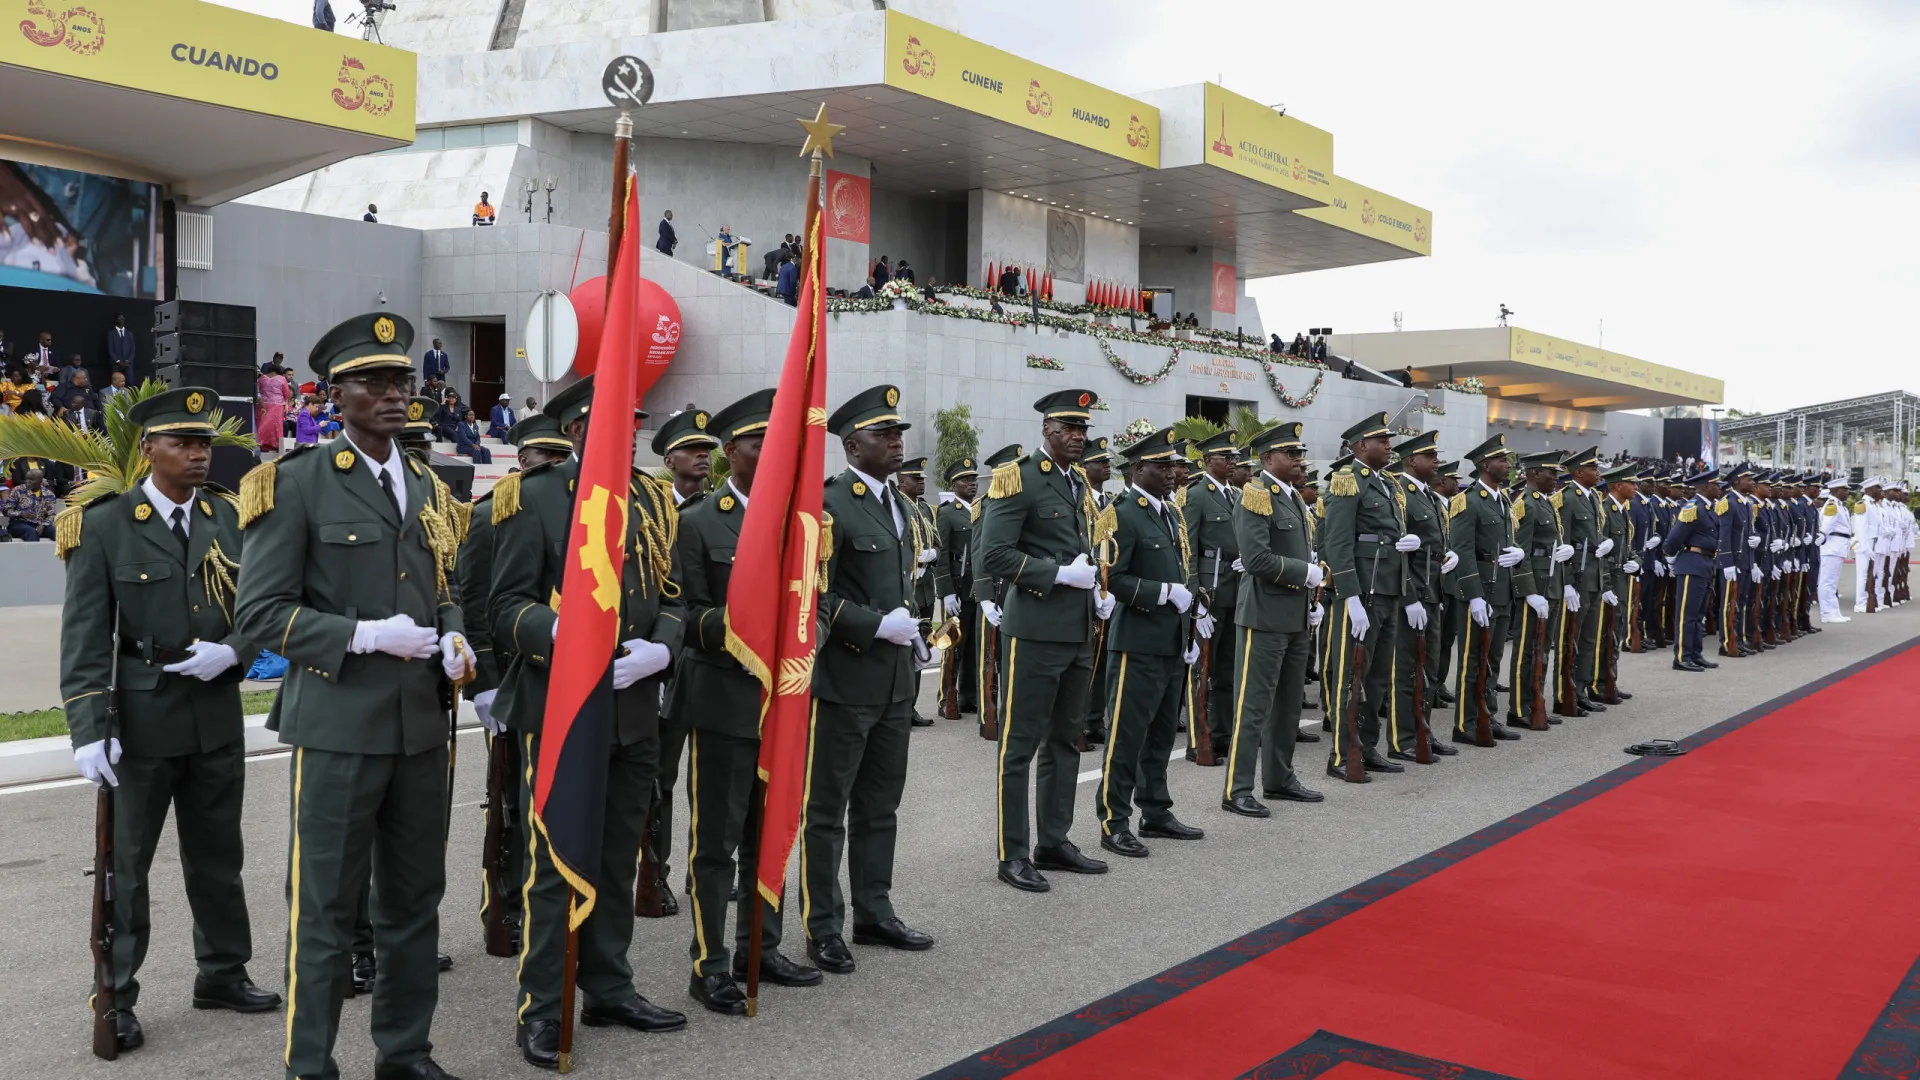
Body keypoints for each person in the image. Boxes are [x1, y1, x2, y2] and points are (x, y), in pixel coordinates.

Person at [232, 312, 474, 1080]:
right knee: (325, 907)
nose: (394, 394)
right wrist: (363, 636)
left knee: (413, 903)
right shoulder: (295, 483)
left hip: (419, 729)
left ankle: (405, 1052)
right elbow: (260, 614)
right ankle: (310, 1062)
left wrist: (454, 634)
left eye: (401, 380)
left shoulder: (427, 484)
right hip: (338, 727)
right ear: (335, 396)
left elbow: (443, 588)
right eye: (373, 382)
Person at [57, 386, 281, 1053]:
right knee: (126, 869)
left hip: (213, 713)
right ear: (149, 448)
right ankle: (116, 995)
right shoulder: (105, 525)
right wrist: (88, 729)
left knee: (219, 858)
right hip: (140, 721)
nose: (198, 454)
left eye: (204, 443)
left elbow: (261, 606)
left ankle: (223, 973)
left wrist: (235, 651)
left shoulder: (229, 518)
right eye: (183, 443)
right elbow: (85, 636)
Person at [489, 374, 687, 1069]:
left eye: (633, 422)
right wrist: (565, 634)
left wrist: (662, 647)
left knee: (615, 855)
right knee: (554, 863)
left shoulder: (648, 499)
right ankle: (543, 1007)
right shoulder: (536, 497)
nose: (630, 433)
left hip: (632, 708)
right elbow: (506, 606)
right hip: (563, 711)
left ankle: (608, 986)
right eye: (615, 421)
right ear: (576, 430)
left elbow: (672, 593)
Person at [673, 388, 823, 1013]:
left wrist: (797, 640)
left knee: (772, 832)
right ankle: (709, 964)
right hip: (724, 701)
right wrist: (744, 631)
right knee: (716, 844)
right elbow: (685, 616)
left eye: (780, 442)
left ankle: (760, 946)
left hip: (782, 704)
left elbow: (813, 604)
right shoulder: (699, 521)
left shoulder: (800, 522)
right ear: (730, 451)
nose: (773, 453)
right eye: (760, 443)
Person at [802, 384, 937, 972]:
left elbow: (898, 586)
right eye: (884, 434)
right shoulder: (829, 504)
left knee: (881, 806)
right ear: (852, 445)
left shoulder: (901, 505)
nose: (897, 442)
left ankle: (874, 911)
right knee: (828, 811)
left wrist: (910, 632)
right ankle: (822, 925)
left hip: (894, 682)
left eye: (899, 432)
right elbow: (814, 595)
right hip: (845, 678)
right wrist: (875, 625)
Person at [979, 389, 1109, 892]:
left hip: (1077, 630)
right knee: (1019, 747)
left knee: (1066, 740)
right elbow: (995, 554)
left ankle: (1053, 841)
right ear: (1046, 431)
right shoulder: (1019, 478)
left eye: (1082, 429)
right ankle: (1012, 853)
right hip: (1034, 630)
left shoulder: (1078, 483)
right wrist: (1058, 575)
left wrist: (1093, 588)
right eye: (1068, 428)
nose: (1077, 437)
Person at [1092, 425, 1207, 856]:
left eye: (1173, 466)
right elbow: (1111, 578)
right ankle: (1113, 820)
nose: (1172, 473)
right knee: (1126, 737)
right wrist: (1163, 593)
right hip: (1137, 642)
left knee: (1160, 736)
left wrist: (1189, 630)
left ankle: (1155, 811)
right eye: (1163, 466)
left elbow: (1182, 574)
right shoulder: (1121, 513)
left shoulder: (1170, 513)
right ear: (1138, 468)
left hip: (1171, 641)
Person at [1220, 420, 1325, 815]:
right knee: (1253, 706)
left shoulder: (1293, 497)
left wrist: (1311, 598)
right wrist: (1305, 573)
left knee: (1287, 706)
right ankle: (1237, 789)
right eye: (1290, 453)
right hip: (1264, 616)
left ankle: (1279, 778)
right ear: (1267, 459)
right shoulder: (1256, 495)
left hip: (1295, 615)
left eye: (1300, 453)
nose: (1299, 460)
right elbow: (1256, 559)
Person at [644, 405, 722, 926]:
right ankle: (655, 873)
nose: (702, 457)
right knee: (660, 779)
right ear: (669, 459)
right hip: (666, 660)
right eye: (692, 450)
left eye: (707, 450)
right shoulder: (649, 510)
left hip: (711, 659)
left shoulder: (721, 512)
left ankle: (705, 869)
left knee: (712, 777)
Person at [1320, 412, 1423, 782]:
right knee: (1351, 675)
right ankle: (1341, 753)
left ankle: (1366, 746)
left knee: (1377, 676)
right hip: (1363, 592)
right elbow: (1336, 542)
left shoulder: (1387, 484)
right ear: (1362, 445)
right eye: (1383, 441)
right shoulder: (1348, 481)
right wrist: (1350, 595)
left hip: (1389, 590)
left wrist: (1408, 591)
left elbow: (1390, 543)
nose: (1390, 446)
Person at [1385, 431, 1460, 762]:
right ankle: (1402, 738)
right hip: (1412, 595)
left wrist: (1447, 555)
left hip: (1432, 591)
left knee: (1427, 668)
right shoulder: (1399, 492)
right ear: (1411, 460)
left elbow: (1432, 543)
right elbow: (1396, 552)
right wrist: (1409, 597)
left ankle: (1422, 731)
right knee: (1407, 669)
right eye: (1430, 456)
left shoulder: (1427, 495)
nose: (1437, 461)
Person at [1182, 432, 1240, 764]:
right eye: (1225, 458)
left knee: (1227, 669)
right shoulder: (1196, 495)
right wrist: (1196, 599)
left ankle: (1223, 734)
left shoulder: (1236, 495)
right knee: (1203, 669)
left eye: (1234, 458)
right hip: (1209, 593)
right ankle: (1198, 738)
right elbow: (1188, 549)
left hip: (1234, 591)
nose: (1232, 463)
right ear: (1207, 462)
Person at [1556, 448, 1612, 714]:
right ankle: (1564, 694)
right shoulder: (1567, 498)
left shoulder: (1593, 498)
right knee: (1570, 639)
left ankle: (1581, 689)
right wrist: (1567, 582)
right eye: (1593, 468)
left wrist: (1606, 543)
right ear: (1578, 472)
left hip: (1594, 575)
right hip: (1577, 578)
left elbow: (1594, 535)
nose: (1598, 473)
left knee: (1589, 639)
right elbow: (1563, 542)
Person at [1663, 468, 1726, 672]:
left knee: (1699, 614)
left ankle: (1695, 654)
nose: (1720, 488)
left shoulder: (1709, 508)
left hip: (1706, 563)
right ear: (1706, 486)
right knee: (1687, 614)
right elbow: (1674, 538)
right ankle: (1682, 657)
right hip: (1692, 563)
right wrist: (1670, 556)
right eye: (1716, 485)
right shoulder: (1693, 507)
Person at [934, 456, 981, 719]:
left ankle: (969, 698)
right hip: (957, 588)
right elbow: (941, 554)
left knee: (974, 645)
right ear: (954, 485)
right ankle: (945, 697)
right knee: (951, 644)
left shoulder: (981, 509)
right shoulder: (947, 513)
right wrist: (947, 592)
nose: (971, 483)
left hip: (978, 587)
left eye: (973, 479)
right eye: (965, 480)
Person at [1079, 438, 1115, 745]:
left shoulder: (1111, 502)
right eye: (1099, 462)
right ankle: (1075, 722)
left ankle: (1093, 720)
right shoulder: (1079, 500)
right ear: (1083, 467)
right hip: (1083, 585)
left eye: (1107, 462)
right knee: (1083, 658)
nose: (1106, 466)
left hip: (1108, 588)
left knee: (1102, 658)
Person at [2, 467, 58, 539]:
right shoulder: (17, 490)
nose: (27, 481)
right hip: (19, 523)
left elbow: (51, 515)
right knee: (31, 532)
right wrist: (21, 514)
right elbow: (6, 510)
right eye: (26, 479)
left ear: (40, 481)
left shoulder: (49, 494)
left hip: (40, 524)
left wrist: (43, 525)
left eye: (31, 479)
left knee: (56, 532)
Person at [256, 363, 290, 452]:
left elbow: (257, 391)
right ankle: (275, 445)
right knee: (276, 426)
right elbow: (286, 393)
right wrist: (286, 403)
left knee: (262, 424)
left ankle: (260, 443)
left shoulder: (262, 378)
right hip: (277, 405)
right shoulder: (282, 379)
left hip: (262, 404)